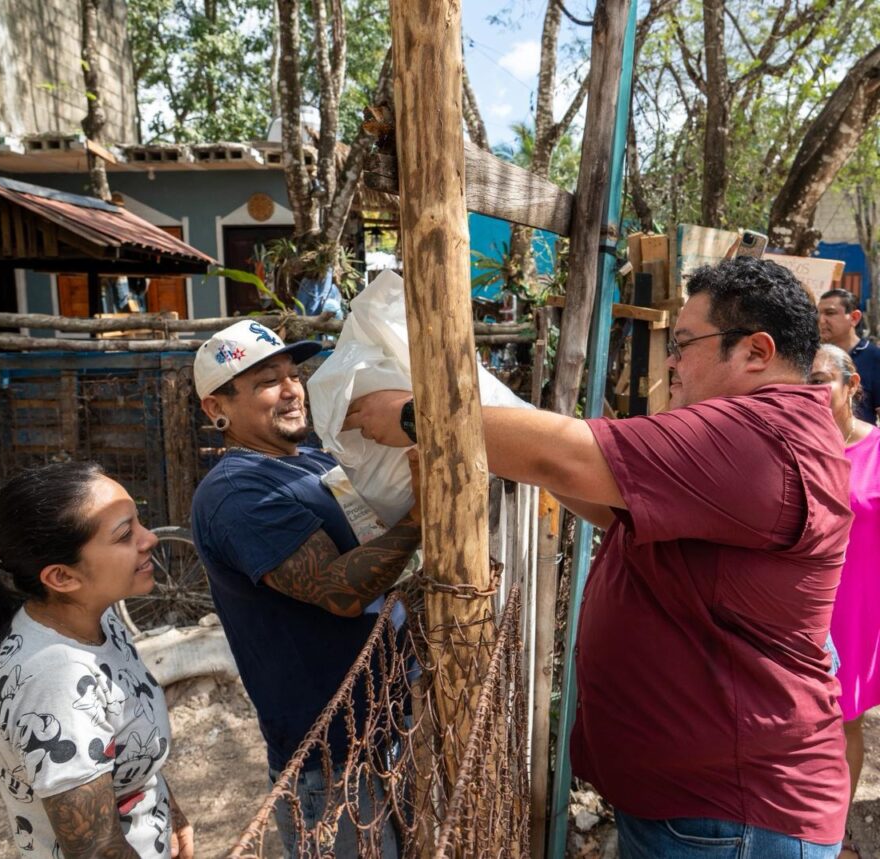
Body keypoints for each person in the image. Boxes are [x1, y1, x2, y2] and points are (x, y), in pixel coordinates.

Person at [345, 257, 852, 858]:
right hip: (709, 805)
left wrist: (415, 417)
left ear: (756, 352)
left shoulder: (757, 435)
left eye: (686, 343)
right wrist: (530, 451)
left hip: (732, 816)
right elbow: (618, 510)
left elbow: (567, 457)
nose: (671, 360)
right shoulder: (765, 434)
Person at [189, 319, 420, 858]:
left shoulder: (312, 460)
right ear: (215, 408)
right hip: (331, 759)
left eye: (293, 375)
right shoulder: (236, 493)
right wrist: (423, 518)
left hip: (384, 725)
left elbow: (372, 549)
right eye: (267, 381)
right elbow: (340, 590)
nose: (292, 390)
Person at [0, 461, 193, 859]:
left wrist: (170, 812)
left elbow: (125, 749)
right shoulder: (56, 682)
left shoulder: (100, 623)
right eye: (124, 535)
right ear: (62, 578)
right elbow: (96, 848)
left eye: (139, 522)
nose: (149, 538)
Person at [809, 344, 880, 859]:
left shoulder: (877, 451)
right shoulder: (794, 445)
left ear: (851, 386)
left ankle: (830, 839)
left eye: (821, 381)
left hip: (857, 602)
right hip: (795, 595)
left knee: (843, 718)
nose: (811, 393)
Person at [818, 288, 880, 423]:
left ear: (854, 318)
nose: (821, 320)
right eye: (818, 314)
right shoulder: (814, 357)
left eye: (830, 313)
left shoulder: (874, 357)